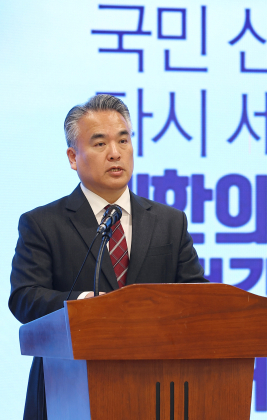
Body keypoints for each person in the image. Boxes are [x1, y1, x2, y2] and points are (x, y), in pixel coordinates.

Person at [8, 94, 206, 420]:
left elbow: (197, 297)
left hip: (156, 390)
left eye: (123, 140)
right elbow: (25, 298)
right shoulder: (43, 224)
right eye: (100, 144)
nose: (115, 152)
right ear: (73, 157)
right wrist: (86, 304)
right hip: (67, 390)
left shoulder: (170, 222)